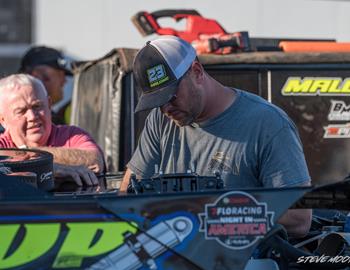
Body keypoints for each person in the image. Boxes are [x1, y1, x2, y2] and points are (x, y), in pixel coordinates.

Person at [120, 36, 312, 237]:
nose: (166, 108)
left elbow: (299, 219)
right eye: (157, 102)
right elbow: (125, 198)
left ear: (197, 72)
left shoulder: (268, 124)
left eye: (171, 96)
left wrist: (213, 213)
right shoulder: (160, 121)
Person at [0, 74, 104, 187]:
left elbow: (95, 160)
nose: (32, 116)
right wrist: (49, 168)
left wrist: (34, 157)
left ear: (49, 105)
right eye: (21, 111)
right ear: (2, 120)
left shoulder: (72, 135)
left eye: (37, 106)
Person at [19, 46, 72, 125]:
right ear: (36, 77)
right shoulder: (39, 122)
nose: (64, 81)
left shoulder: (10, 112)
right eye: (60, 75)